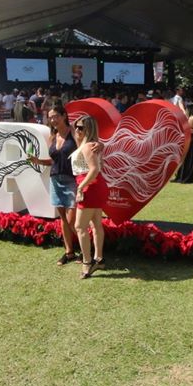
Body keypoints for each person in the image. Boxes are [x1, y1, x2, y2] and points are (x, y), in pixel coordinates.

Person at [28, 104, 80, 266]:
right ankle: (69, 252)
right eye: (50, 117)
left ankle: (87, 250)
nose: (52, 120)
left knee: (72, 220)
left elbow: (85, 148)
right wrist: (37, 161)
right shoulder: (52, 136)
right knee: (63, 219)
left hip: (72, 180)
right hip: (55, 180)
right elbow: (53, 161)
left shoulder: (74, 133)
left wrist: (98, 145)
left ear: (64, 116)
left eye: (56, 116)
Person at [71, 115, 108, 279]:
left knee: (80, 226)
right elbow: (99, 166)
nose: (77, 130)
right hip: (94, 185)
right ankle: (99, 259)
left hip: (89, 186)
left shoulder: (88, 146)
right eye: (76, 127)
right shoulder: (91, 145)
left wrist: (80, 187)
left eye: (81, 127)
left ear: (89, 129)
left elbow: (94, 169)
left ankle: (87, 262)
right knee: (96, 224)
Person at [175, 103, 193, 183]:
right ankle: (189, 177)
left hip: (185, 138)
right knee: (191, 158)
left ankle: (180, 176)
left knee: (184, 158)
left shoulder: (183, 117)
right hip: (192, 139)